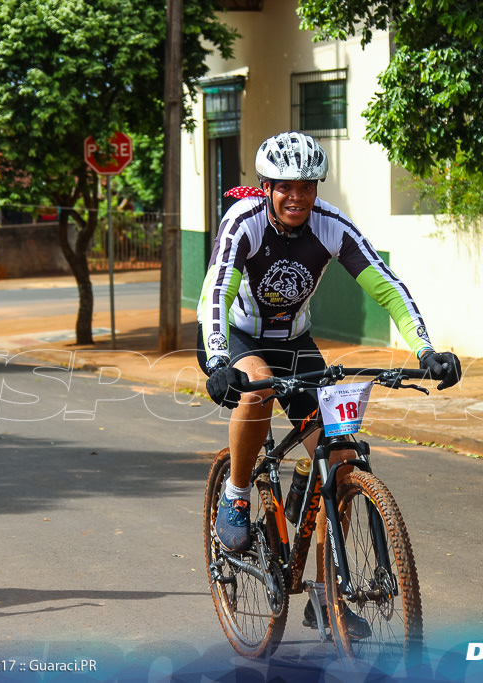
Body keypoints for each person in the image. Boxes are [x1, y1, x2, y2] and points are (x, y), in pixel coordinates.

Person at [197, 132, 461, 633]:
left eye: (307, 186)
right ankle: (235, 493)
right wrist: (216, 362)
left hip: (296, 341)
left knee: (339, 457)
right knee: (260, 384)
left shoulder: (331, 225)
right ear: (267, 186)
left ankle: (324, 592)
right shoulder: (243, 222)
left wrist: (426, 349)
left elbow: (386, 284)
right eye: (285, 187)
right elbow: (216, 288)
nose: (296, 197)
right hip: (235, 338)